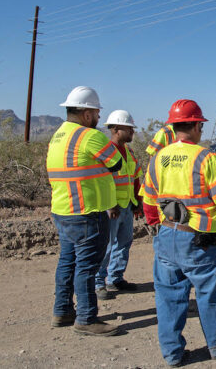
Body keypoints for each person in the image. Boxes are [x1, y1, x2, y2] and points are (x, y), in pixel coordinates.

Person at [142, 100, 216, 366]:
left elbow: (149, 200)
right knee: (213, 293)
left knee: (168, 297)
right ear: (197, 125)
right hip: (201, 239)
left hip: (167, 235)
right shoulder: (206, 157)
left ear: (173, 127)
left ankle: (173, 354)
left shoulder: (158, 158)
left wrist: (156, 225)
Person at [46, 86, 123, 336]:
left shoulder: (58, 135)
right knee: (87, 267)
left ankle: (62, 311)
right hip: (87, 211)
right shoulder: (90, 136)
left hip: (63, 209)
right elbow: (116, 162)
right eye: (98, 113)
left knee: (67, 262)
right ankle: (87, 318)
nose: (100, 118)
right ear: (88, 114)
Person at [95, 110, 144, 299]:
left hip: (127, 206)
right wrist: (109, 205)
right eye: (128, 128)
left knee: (123, 243)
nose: (132, 132)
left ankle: (115, 278)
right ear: (115, 129)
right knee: (107, 245)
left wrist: (138, 202)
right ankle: (99, 282)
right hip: (111, 208)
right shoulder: (106, 151)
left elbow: (135, 177)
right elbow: (101, 180)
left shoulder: (129, 152)